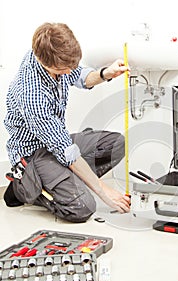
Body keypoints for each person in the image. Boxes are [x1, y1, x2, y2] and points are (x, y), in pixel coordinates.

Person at [3, 22, 131, 222]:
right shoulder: (31, 94)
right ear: (43, 61)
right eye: (63, 69)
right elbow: (66, 151)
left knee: (116, 143)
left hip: (55, 145)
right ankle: (24, 187)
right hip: (34, 156)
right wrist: (104, 191)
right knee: (83, 207)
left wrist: (105, 74)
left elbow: (79, 75)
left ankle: (66, 181)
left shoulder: (48, 51)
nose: (67, 71)